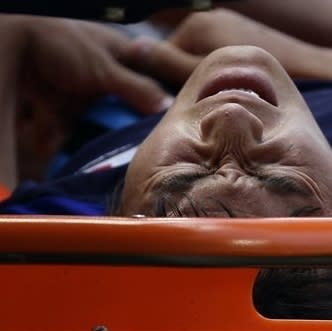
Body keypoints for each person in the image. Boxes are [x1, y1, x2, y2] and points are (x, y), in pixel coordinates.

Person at [1, 9, 332, 215]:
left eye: (186, 174)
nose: (231, 116)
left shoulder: (53, 219)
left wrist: (24, 34)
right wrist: (316, 62)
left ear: (115, 211)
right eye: (277, 174)